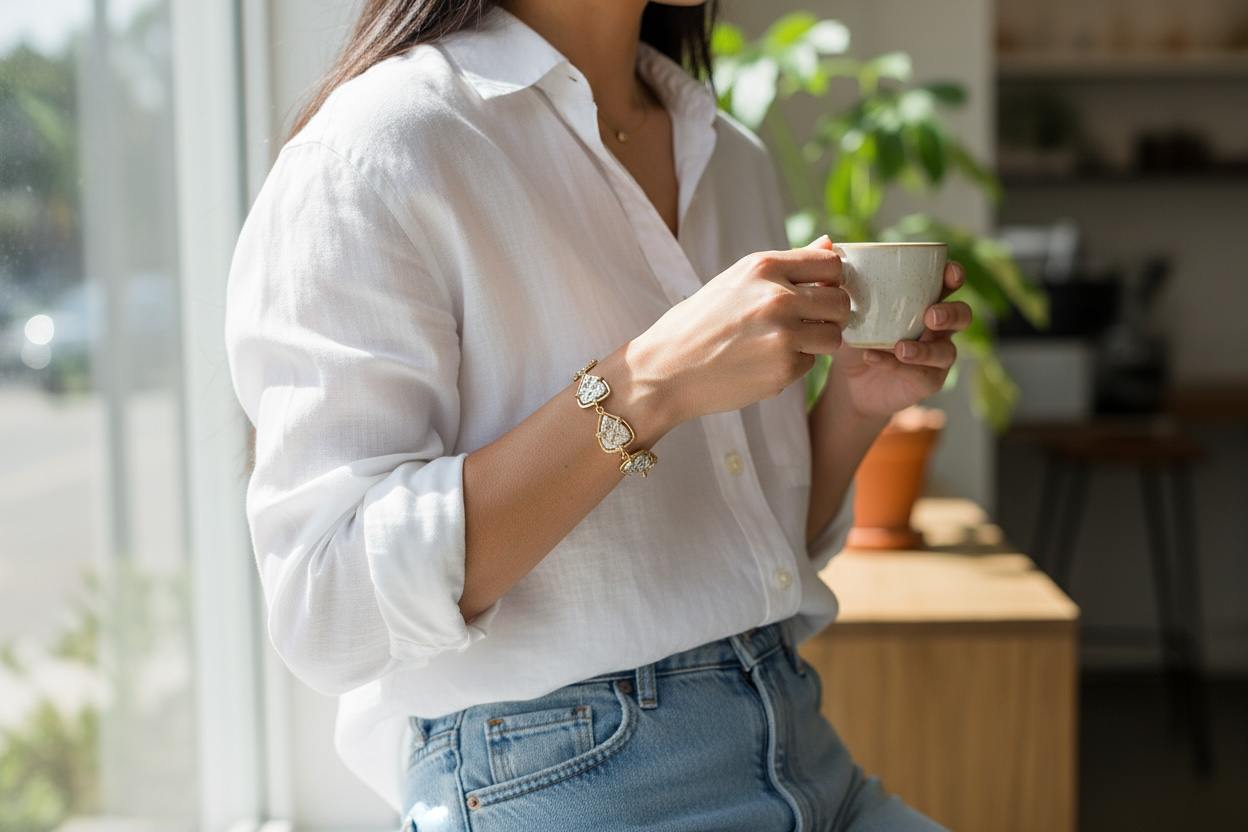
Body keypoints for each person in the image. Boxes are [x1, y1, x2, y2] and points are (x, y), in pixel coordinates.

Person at [225, 0, 970, 829]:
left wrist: (856, 408)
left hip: (800, 745)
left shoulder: (731, 156)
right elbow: (325, 605)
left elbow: (750, 552)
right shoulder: (376, 149)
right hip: (562, 783)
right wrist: (651, 384)